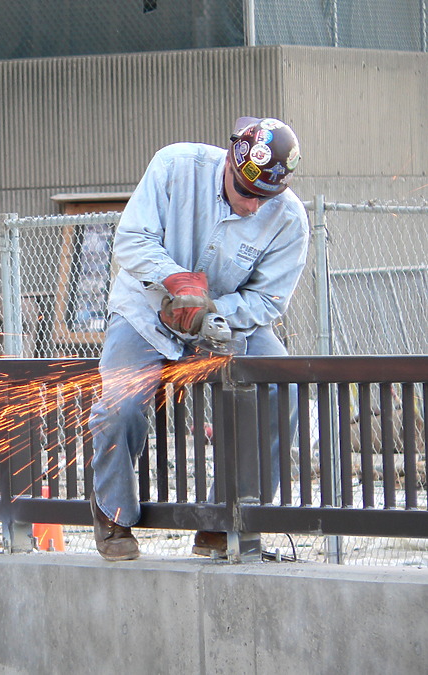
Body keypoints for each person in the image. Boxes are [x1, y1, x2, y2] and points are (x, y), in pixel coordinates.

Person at [89, 117, 308, 561]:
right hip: (146, 311)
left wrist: (213, 313)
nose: (251, 206)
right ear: (229, 160)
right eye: (244, 192)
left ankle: (226, 519)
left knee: (280, 386)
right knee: (120, 403)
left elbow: (267, 300)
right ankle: (112, 513)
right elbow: (131, 240)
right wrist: (174, 280)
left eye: (263, 198)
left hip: (225, 320)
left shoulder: (289, 220)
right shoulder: (175, 166)